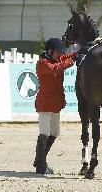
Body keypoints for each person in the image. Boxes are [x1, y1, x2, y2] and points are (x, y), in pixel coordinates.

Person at [34, 38, 77, 174]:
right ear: (50, 51)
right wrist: (71, 62)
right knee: (44, 133)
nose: (59, 55)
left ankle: (39, 160)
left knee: (55, 133)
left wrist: (78, 52)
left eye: (60, 52)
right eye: (57, 52)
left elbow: (67, 56)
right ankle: (41, 166)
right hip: (45, 103)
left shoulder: (56, 58)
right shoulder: (42, 63)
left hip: (56, 103)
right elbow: (55, 69)